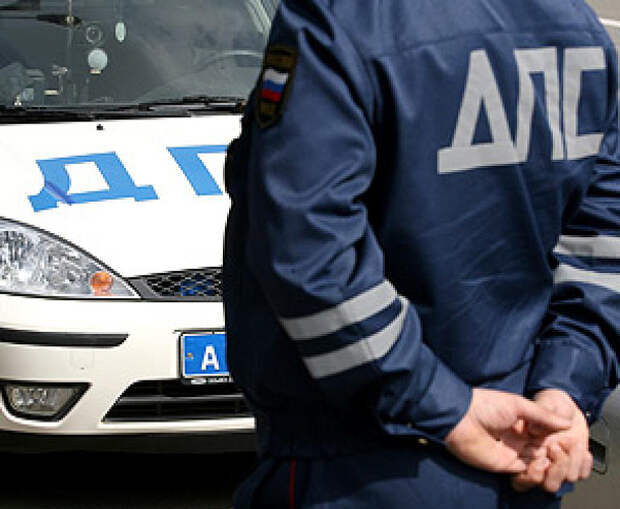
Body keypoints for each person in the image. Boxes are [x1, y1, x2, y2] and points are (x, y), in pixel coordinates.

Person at [223, 0, 620, 507]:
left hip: (360, 459)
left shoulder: (341, 18)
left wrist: (442, 406)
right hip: (524, 453)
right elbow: (602, 245)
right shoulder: (575, 25)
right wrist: (564, 390)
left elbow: (308, 252)